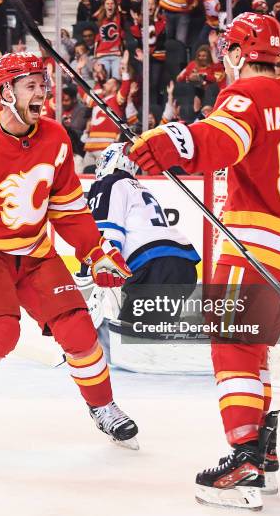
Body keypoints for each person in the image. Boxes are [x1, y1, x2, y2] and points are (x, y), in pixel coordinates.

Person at [127, 13, 280, 510]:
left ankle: (244, 461)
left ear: (236, 53)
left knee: (232, 347)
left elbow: (219, 141)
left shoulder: (243, 97)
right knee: (255, 352)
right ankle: (265, 456)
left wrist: (170, 142)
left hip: (258, 247)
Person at [0, 52, 139, 464]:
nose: (42, 92)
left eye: (43, 83)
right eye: (31, 85)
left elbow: (68, 207)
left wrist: (95, 252)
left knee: (79, 329)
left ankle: (103, 407)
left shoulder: (55, 138)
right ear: (4, 93)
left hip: (35, 253)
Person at [85, 143, 200, 360]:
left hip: (153, 269)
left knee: (137, 349)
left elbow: (107, 234)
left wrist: (100, 273)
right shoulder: (138, 187)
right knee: (150, 339)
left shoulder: (108, 183)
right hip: (182, 266)